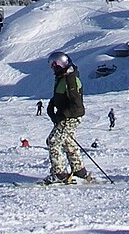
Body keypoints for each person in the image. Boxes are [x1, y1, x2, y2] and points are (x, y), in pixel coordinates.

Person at [44, 50, 91, 184]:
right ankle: (79, 171)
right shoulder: (63, 78)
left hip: (71, 116)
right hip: (67, 116)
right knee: (68, 141)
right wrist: (52, 105)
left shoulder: (71, 80)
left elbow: (76, 104)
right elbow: (60, 95)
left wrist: (63, 115)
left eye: (54, 65)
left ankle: (59, 173)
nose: (53, 69)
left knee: (53, 141)